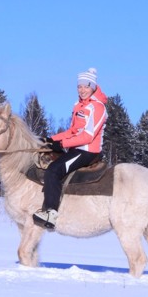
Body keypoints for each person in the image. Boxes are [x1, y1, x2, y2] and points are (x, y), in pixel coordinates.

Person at [33, 67, 108, 229]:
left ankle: (50, 213)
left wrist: (61, 144)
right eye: (79, 86)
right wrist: (49, 140)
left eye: (86, 86)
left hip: (87, 150)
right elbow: (72, 131)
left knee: (53, 170)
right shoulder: (78, 105)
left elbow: (88, 136)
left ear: (93, 87)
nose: (82, 90)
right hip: (76, 148)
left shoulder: (97, 107)